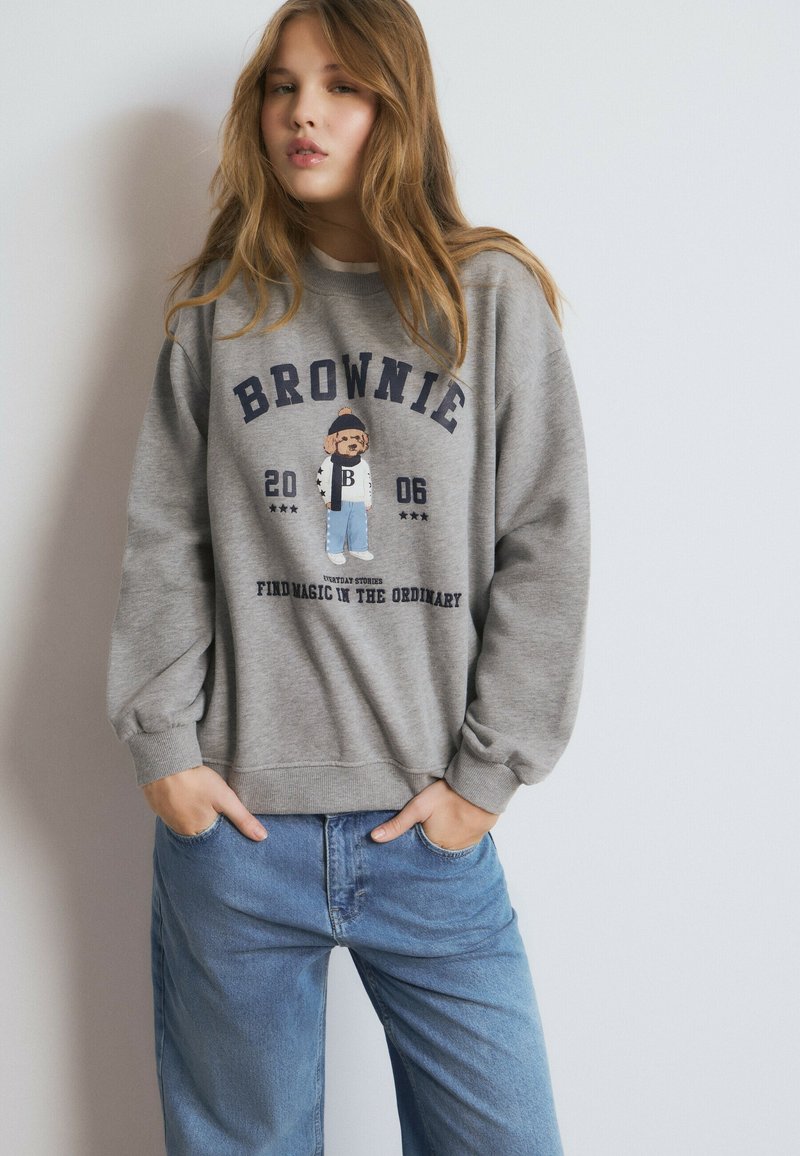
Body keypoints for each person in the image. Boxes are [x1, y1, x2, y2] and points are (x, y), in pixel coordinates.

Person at [105, 1, 590, 1152]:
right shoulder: (221, 305)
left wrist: (485, 778)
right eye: (282, 86)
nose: (304, 113)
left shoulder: (488, 298)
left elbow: (546, 538)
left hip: (424, 835)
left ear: (397, 107)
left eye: (341, 86)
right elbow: (166, 533)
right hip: (237, 840)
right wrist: (165, 748)